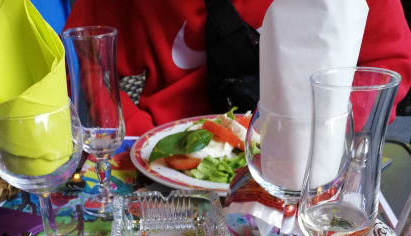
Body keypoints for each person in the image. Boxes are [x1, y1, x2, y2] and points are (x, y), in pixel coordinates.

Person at [64, 0, 411, 136]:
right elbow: (84, 58)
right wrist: (139, 134)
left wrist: (328, 137)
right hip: (169, 168)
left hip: (308, 167)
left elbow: (389, 65)